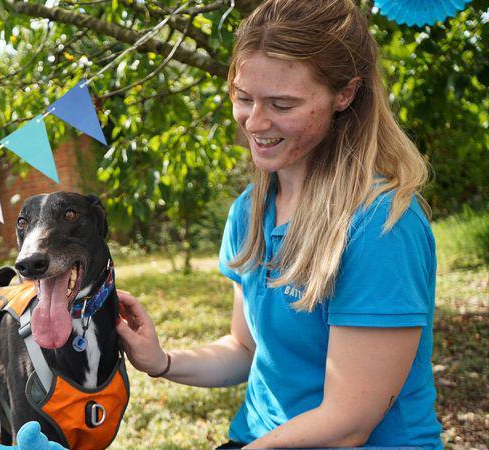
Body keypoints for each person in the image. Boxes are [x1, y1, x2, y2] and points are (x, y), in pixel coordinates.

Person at [114, 0, 443, 448]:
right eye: (244, 99)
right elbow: (246, 351)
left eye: (282, 104)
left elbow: (348, 423)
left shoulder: (380, 225)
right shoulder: (249, 211)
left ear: (344, 95)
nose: (256, 122)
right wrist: (163, 361)